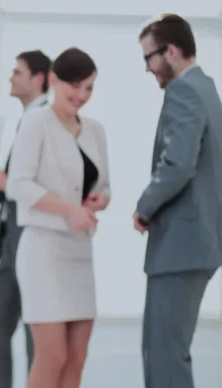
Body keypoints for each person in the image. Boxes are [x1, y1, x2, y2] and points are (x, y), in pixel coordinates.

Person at [5, 47, 111, 388]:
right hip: (44, 252)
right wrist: (70, 210)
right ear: (53, 80)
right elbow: (18, 184)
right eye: (75, 86)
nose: (82, 95)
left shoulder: (95, 129)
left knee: (77, 359)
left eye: (89, 88)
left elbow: (105, 185)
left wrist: (99, 200)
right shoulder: (37, 122)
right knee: (52, 357)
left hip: (80, 253)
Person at [134, 13, 222, 388]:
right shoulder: (208, 89)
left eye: (148, 57)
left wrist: (144, 205)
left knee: (164, 358)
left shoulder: (184, 90)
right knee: (169, 352)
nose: (148, 68)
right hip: (198, 244)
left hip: (180, 246)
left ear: (171, 50)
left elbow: (177, 164)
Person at [0, 49, 51, 388]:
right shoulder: (27, 120)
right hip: (12, 241)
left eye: (17, 72)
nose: (11, 77)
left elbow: (50, 186)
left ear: (39, 78)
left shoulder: (49, 120)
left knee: (38, 334)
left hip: (37, 242)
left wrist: (6, 183)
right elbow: (17, 186)